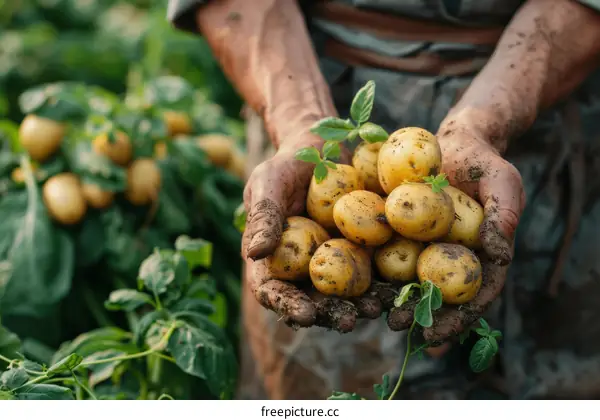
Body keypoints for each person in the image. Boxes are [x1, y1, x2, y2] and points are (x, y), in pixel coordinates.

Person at [167, 0, 600, 399]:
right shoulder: (333, 191)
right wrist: (302, 122)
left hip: (543, 113)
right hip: (301, 90)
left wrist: (485, 124)